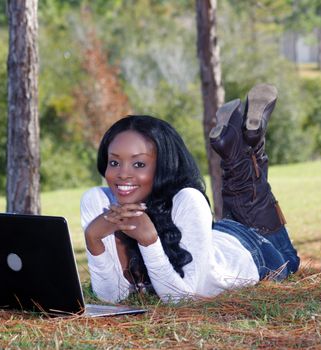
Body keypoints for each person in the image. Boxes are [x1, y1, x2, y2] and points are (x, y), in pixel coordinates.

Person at [80, 84, 300, 303]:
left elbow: (183, 299)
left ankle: (248, 150)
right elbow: (111, 297)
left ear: (164, 165)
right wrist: (93, 239)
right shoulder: (99, 201)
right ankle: (241, 148)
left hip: (251, 248)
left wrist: (149, 241)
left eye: (138, 164)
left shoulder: (188, 199)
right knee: (242, 187)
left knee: (289, 261)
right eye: (114, 162)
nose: (122, 174)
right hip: (205, 236)